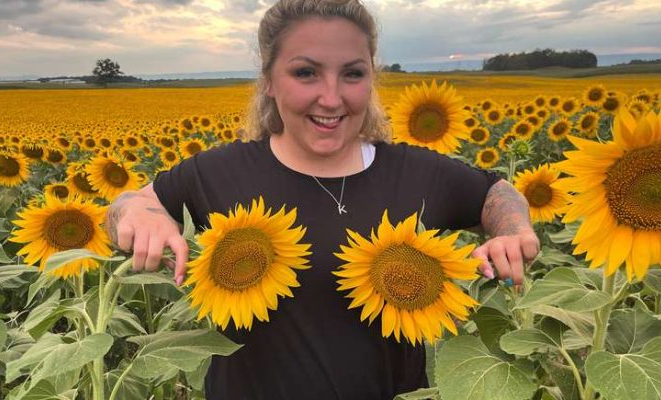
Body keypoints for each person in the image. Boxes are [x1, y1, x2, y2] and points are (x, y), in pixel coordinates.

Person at [106, 0, 539, 398]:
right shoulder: (219, 173)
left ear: (371, 79)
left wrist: (512, 231)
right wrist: (141, 215)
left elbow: (495, 191)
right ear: (269, 81)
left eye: (352, 74)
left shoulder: (415, 172)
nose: (331, 98)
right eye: (306, 73)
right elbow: (131, 204)